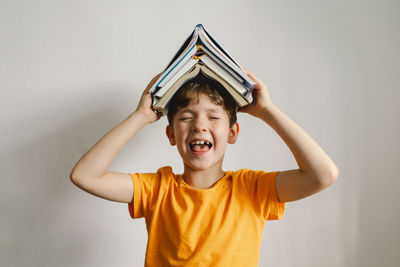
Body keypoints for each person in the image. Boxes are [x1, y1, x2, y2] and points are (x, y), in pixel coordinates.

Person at [70, 69, 339, 266]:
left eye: (213, 117)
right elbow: (85, 176)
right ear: (171, 135)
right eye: (186, 117)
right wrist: (140, 116)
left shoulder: (253, 189)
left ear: (233, 133)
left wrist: (267, 111)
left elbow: (323, 174)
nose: (199, 125)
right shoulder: (157, 189)